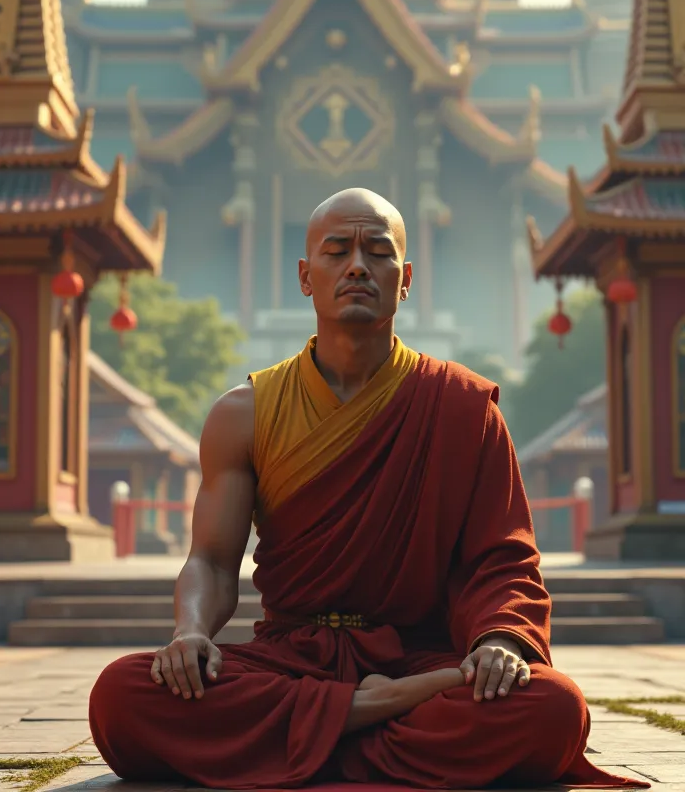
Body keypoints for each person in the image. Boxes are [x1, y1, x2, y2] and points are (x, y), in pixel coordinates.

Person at [89, 188, 647, 790]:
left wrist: (498, 639)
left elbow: (503, 558)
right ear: (307, 277)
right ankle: (378, 715)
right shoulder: (245, 412)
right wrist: (190, 634)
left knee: (554, 707)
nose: (357, 265)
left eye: (377, 252)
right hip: (294, 655)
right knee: (121, 696)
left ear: (404, 279)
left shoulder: (462, 406)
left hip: (416, 651)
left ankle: (298, 747)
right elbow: (211, 561)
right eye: (337, 251)